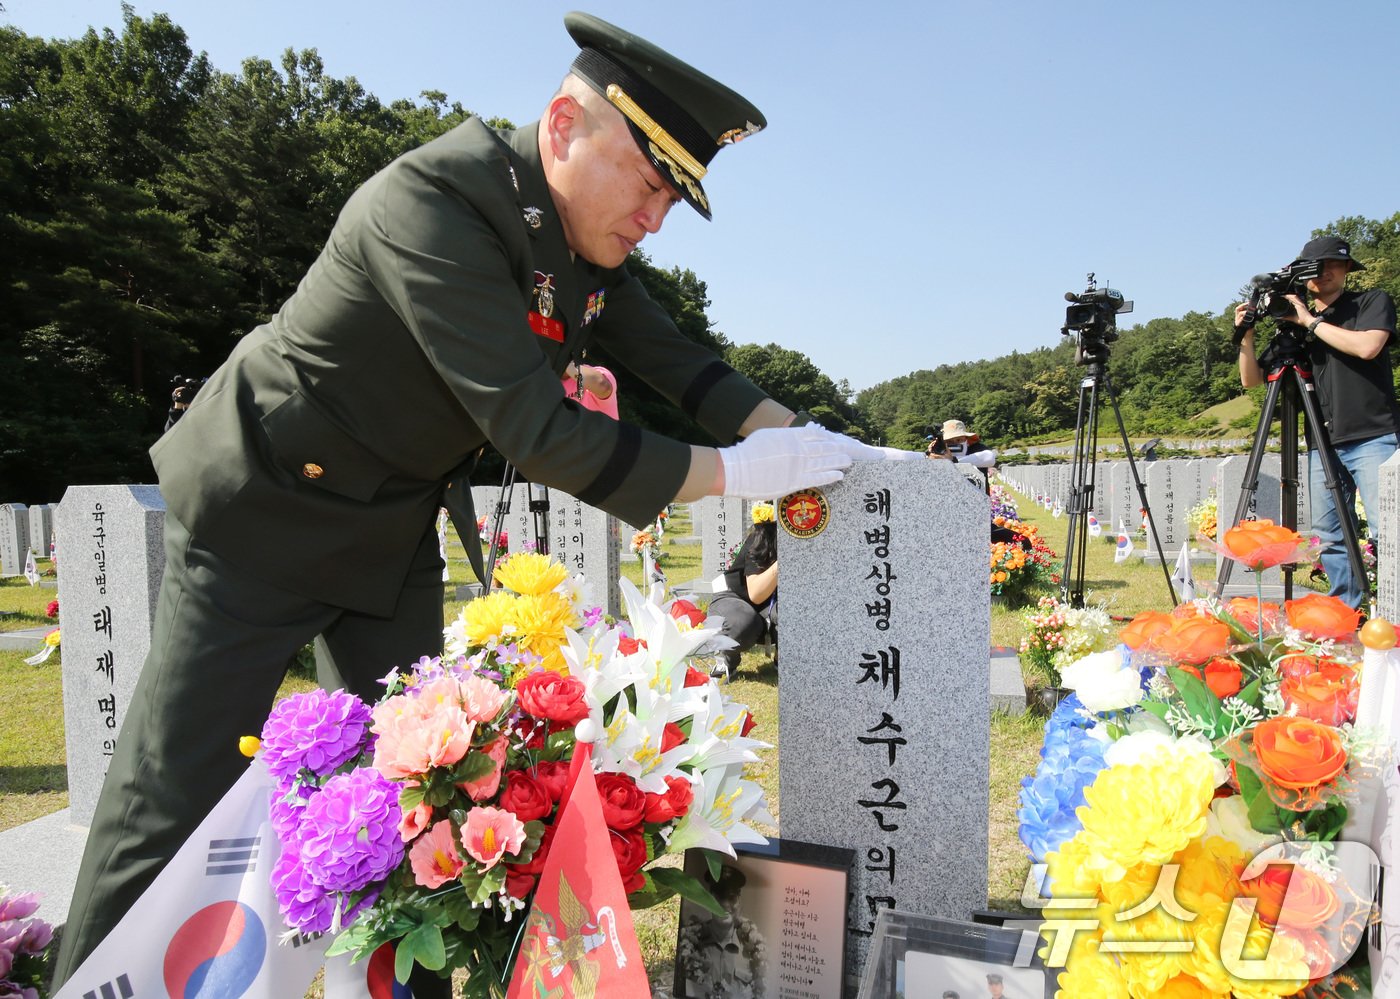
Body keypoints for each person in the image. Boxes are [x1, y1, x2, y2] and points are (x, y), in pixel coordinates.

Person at [52, 12, 914, 988]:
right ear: (562, 127)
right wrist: (738, 472)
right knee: (172, 789)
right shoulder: (431, 203)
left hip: (388, 522)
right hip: (264, 508)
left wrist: (796, 437)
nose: (653, 218)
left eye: (672, 201)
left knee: (426, 780)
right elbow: (535, 429)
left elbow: (680, 361)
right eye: (646, 183)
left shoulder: (583, 253)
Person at [1235, 234, 1399, 611]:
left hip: (1373, 434)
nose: (1323, 274)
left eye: (1332, 265)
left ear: (1346, 270)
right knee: (1330, 533)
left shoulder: (1369, 302)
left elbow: (1368, 346)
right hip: (1322, 442)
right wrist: (1246, 334)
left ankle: (1393, 610)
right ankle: (1347, 608)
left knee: (1388, 530)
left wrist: (1309, 321)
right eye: (1314, 268)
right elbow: (1251, 380)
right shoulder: (1294, 323)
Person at [707, 506, 778, 681]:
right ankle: (726, 658)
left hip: (773, 605)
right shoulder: (762, 536)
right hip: (737, 598)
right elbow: (756, 594)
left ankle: (787, 659)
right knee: (742, 624)